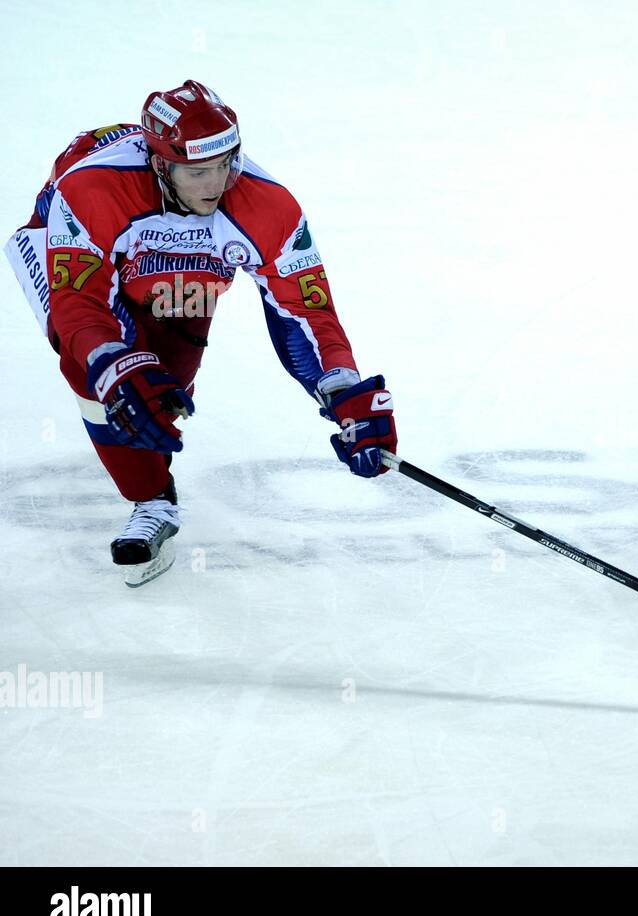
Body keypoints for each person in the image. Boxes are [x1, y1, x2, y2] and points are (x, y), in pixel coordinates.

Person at [4, 80, 396, 587]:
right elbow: (80, 303)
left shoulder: (267, 204)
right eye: (198, 171)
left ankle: (147, 444)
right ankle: (151, 501)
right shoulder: (92, 190)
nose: (216, 183)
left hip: (180, 276)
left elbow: (306, 309)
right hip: (75, 244)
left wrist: (343, 389)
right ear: (161, 163)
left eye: (227, 163)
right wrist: (112, 365)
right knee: (98, 373)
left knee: (164, 387)